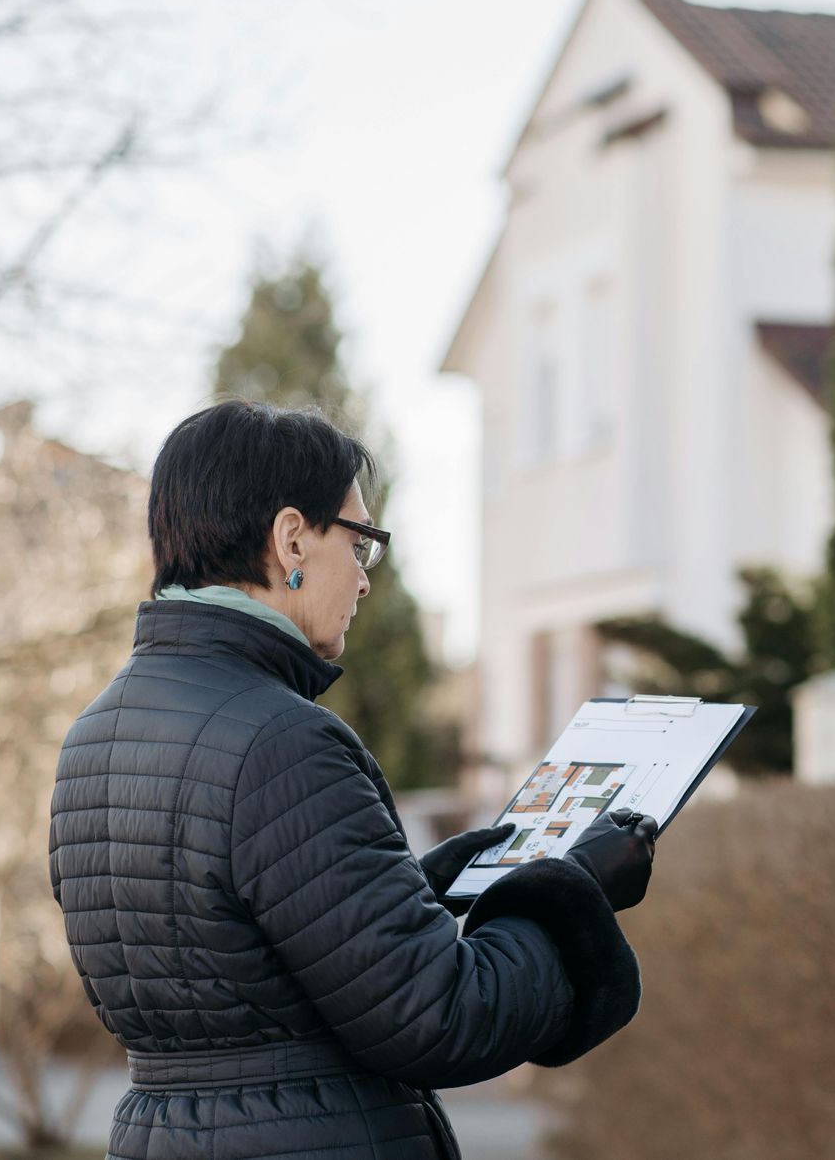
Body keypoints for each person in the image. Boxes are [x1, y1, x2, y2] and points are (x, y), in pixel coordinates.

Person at [48, 399, 658, 1159]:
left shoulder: (95, 735)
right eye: (362, 542)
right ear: (292, 537)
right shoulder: (282, 741)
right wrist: (572, 892)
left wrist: (414, 894)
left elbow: (244, 966)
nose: (366, 582)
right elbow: (440, 1018)